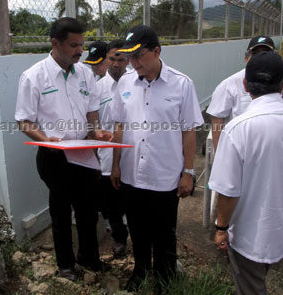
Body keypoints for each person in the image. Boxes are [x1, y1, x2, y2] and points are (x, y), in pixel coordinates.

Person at [209, 51, 283, 295]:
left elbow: (228, 190)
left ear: (245, 85)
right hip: (281, 225)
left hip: (248, 233)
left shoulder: (238, 129)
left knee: (251, 286)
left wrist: (221, 227)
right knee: (260, 275)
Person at [14, 17, 113, 281]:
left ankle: (89, 258)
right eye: (73, 45)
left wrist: (96, 132)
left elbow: (92, 110)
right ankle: (66, 265)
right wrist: (45, 138)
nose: (80, 50)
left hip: (84, 152)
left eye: (81, 44)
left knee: (88, 210)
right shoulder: (34, 76)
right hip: (54, 156)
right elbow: (24, 121)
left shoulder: (84, 74)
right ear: (55, 43)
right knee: (60, 212)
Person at [110, 25, 204, 290]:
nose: (133, 63)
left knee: (164, 234)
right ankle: (140, 271)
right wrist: (116, 165)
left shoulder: (181, 84)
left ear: (156, 51)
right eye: (129, 57)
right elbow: (120, 126)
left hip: (164, 175)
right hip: (131, 174)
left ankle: (164, 279)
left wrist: (189, 172)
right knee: (137, 231)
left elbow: (188, 131)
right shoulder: (126, 83)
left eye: (138, 55)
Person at [207, 35, 283, 151]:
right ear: (246, 58)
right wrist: (219, 153)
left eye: (266, 53)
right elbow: (217, 119)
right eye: (255, 54)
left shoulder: (282, 83)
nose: (261, 59)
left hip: (277, 147)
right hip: (243, 149)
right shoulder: (229, 85)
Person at [96, 39, 130, 259]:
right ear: (106, 60)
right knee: (111, 204)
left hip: (133, 154)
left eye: (120, 59)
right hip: (107, 157)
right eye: (112, 59)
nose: (116, 64)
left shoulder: (136, 84)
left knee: (134, 200)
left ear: (127, 60)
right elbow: (92, 121)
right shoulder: (97, 89)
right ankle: (119, 238)